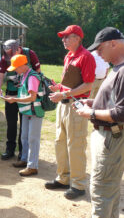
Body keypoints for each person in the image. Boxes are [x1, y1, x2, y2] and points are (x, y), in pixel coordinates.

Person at [75, 27, 124, 218]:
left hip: (111, 137)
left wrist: (91, 112)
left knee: (101, 191)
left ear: (113, 43)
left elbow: (121, 112)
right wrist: (94, 103)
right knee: (108, 190)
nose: (97, 53)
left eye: (100, 48)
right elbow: (115, 102)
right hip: (109, 136)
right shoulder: (117, 68)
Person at [45, 25, 96, 199]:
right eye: (63, 37)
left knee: (75, 145)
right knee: (60, 141)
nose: (63, 39)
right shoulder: (69, 56)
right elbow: (70, 83)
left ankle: (79, 185)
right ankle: (63, 178)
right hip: (64, 104)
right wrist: (58, 87)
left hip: (76, 106)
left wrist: (64, 93)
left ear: (77, 38)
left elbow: (88, 85)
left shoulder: (86, 57)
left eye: (67, 36)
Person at [0, 39, 41, 161]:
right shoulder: (5, 58)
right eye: (7, 55)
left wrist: (33, 87)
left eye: (11, 54)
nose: (9, 58)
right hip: (11, 93)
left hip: (26, 94)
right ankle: (9, 149)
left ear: (18, 49)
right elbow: (1, 75)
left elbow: (38, 73)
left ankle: (23, 151)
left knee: (24, 124)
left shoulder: (30, 54)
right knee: (11, 122)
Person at [4, 54, 44, 176]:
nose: (15, 70)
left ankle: (32, 166)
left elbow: (32, 97)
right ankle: (24, 159)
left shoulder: (32, 77)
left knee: (33, 139)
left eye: (16, 67)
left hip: (34, 112)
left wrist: (14, 100)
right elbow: (24, 95)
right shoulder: (24, 75)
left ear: (22, 66)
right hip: (27, 112)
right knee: (24, 137)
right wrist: (13, 97)